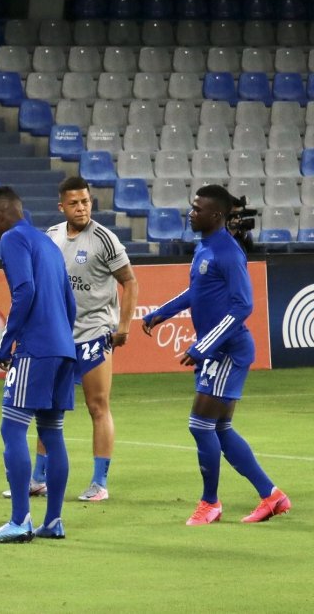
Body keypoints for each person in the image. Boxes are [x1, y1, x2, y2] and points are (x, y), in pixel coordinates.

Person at [142, 184, 290, 526]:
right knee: (219, 427)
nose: (191, 213)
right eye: (192, 207)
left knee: (200, 425)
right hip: (217, 350)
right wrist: (162, 312)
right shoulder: (205, 246)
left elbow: (243, 305)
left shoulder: (228, 252)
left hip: (227, 350)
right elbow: (197, 290)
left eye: (198, 209)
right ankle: (272, 496)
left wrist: (203, 346)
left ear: (216, 215)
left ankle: (210, 503)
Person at [32, 176, 139, 502]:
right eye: (74, 203)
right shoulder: (51, 236)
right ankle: (38, 479)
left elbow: (130, 282)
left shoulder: (105, 239)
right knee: (47, 407)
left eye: (86, 202)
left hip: (94, 333)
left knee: (97, 406)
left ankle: (99, 483)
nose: (81, 208)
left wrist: (124, 326)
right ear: (61, 206)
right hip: (59, 335)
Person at [0, 186, 76, 543]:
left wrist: (8, 342)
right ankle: (53, 521)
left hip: (36, 348)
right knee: (52, 432)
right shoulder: (48, 244)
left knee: (13, 429)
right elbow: (70, 303)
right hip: (63, 347)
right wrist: (63, 341)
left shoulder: (13, 239)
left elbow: (25, 290)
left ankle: (20, 520)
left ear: (1, 214)